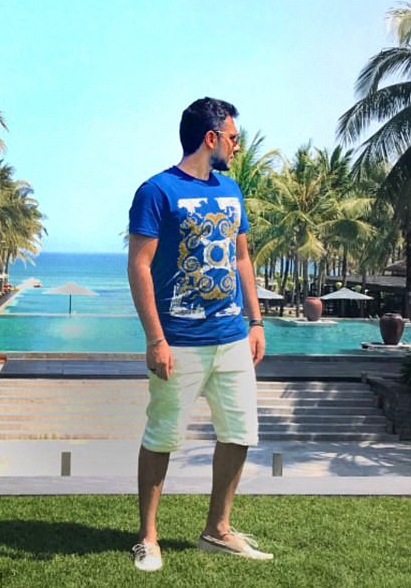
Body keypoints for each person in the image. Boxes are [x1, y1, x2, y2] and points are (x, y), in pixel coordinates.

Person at [127, 97, 272, 572]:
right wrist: (155, 339)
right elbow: (140, 266)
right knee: (162, 436)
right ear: (211, 138)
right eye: (232, 137)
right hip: (179, 341)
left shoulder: (231, 190)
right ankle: (148, 538)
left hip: (231, 337)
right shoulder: (157, 191)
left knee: (240, 432)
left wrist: (255, 321)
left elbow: (242, 258)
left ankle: (217, 530)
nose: (236, 145)